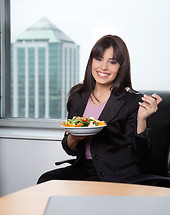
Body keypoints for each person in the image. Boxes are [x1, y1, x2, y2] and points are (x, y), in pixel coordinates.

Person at [37, 35, 162, 184]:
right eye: (99, 59)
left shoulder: (132, 101)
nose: (103, 67)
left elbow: (140, 156)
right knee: (46, 180)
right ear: (91, 61)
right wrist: (74, 137)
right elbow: (70, 148)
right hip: (84, 169)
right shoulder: (78, 95)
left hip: (116, 173)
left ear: (121, 66)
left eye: (112, 62)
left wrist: (141, 119)